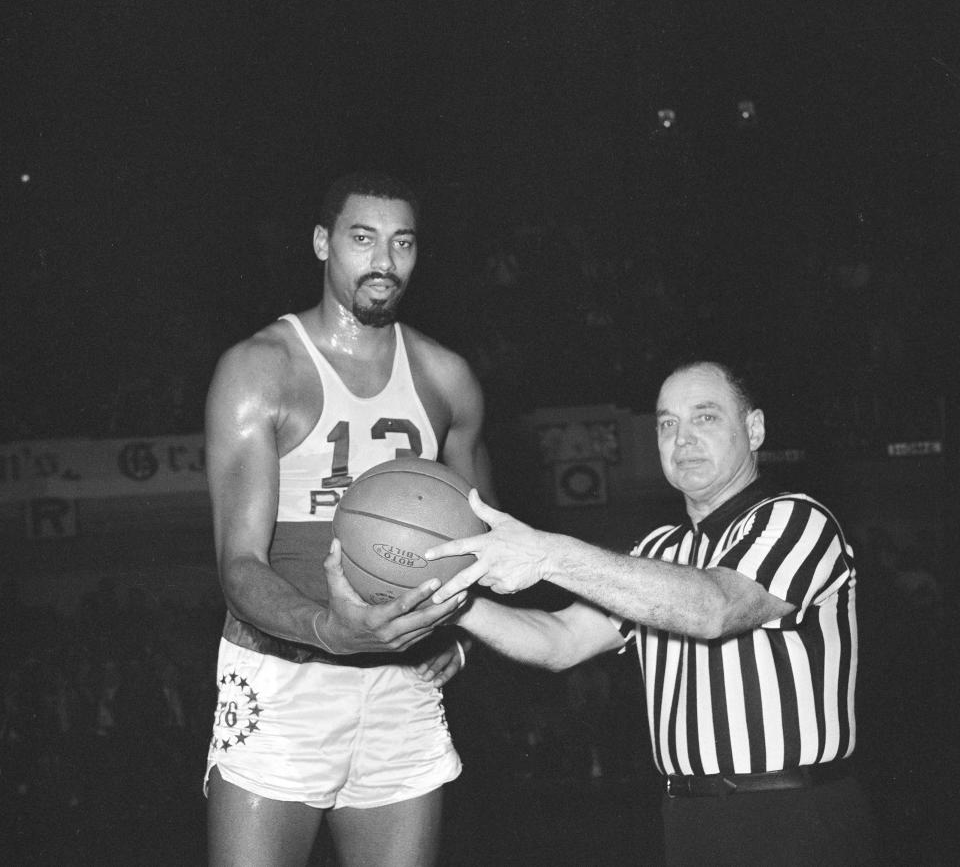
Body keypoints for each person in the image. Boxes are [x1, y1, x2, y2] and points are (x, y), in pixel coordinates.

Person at [426, 360, 878, 866]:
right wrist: (452, 601)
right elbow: (560, 639)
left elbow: (715, 607)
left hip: (794, 815)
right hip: (687, 818)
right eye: (667, 423)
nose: (682, 439)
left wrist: (548, 553)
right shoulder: (657, 551)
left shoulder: (799, 519)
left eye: (705, 417)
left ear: (754, 430)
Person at [203, 171, 495, 867]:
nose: (384, 263)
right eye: (363, 239)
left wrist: (467, 638)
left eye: (403, 243)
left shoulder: (447, 378)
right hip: (284, 674)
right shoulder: (260, 370)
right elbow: (238, 566)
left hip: (402, 683)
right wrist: (329, 630)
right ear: (321, 243)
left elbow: (489, 541)